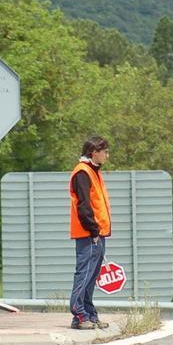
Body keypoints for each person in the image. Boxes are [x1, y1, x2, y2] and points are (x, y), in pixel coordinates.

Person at [68, 135, 112, 330]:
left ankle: (90, 314)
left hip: (97, 233)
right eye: (105, 152)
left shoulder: (93, 172)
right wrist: (93, 230)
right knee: (84, 274)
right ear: (95, 152)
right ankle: (78, 315)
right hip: (89, 234)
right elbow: (84, 206)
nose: (107, 155)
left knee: (91, 276)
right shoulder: (82, 173)